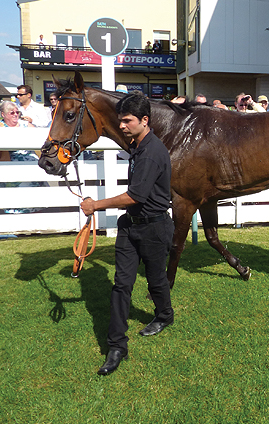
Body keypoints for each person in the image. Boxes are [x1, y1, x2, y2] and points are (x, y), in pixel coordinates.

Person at [80, 93, 174, 376]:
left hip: (155, 227)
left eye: (127, 121)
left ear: (144, 121)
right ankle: (117, 346)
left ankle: (165, 315)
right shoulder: (137, 146)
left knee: (156, 280)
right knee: (122, 285)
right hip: (131, 226)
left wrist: (95, 205)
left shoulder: (152, 152)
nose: (121, 125)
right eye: (120, 120)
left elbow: (135, 195)